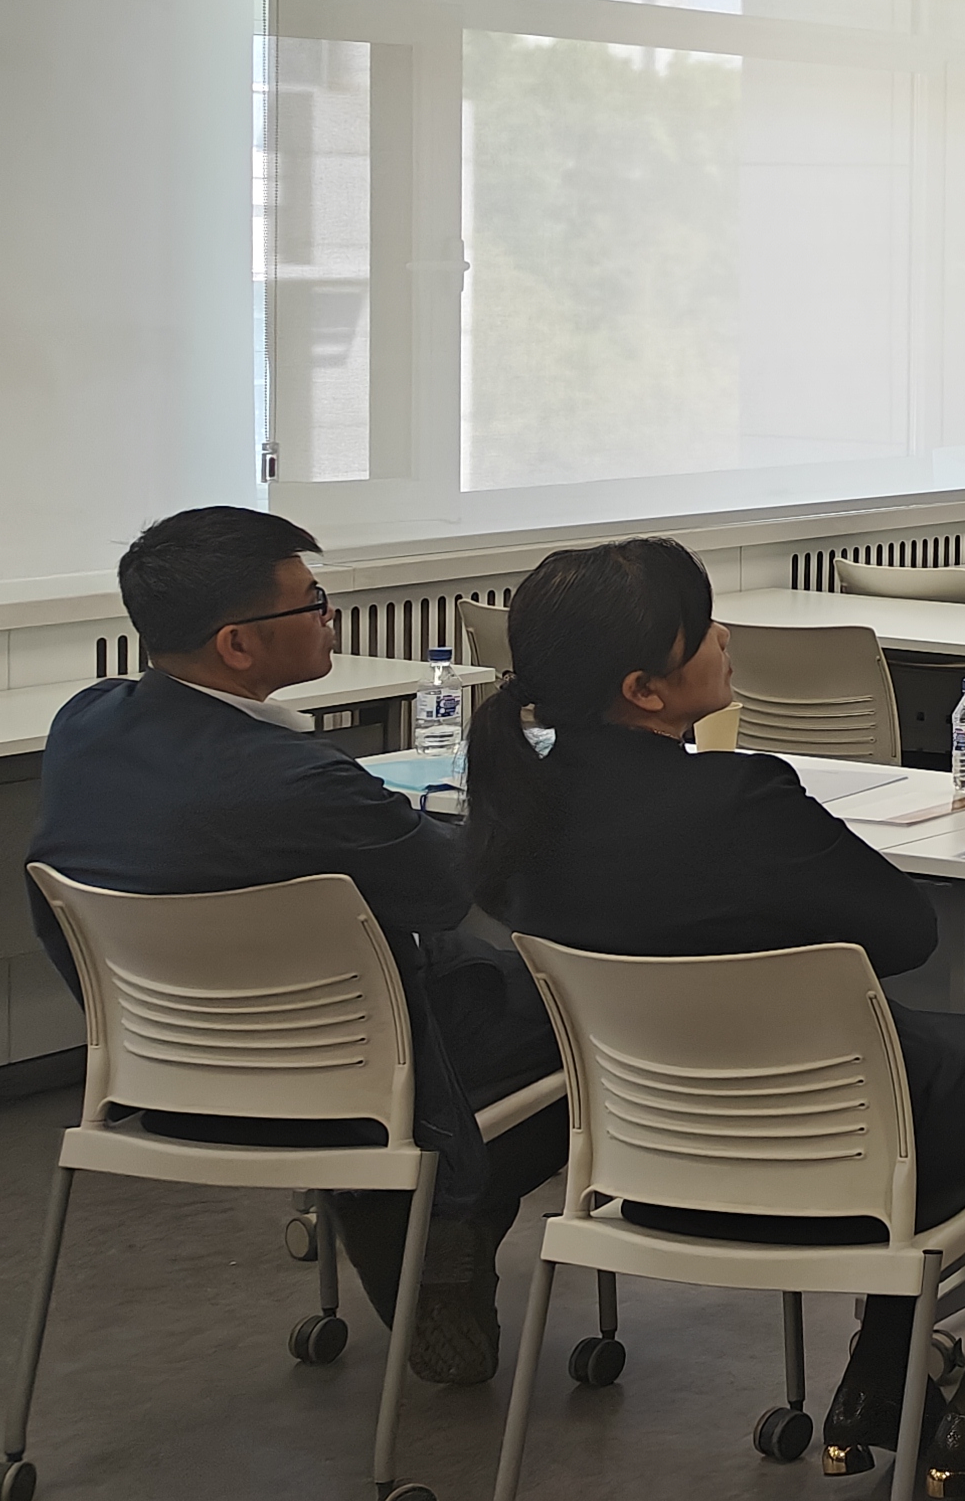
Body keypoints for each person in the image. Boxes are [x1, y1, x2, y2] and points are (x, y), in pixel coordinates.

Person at [471, 537, 965, 1492]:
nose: (725, 638)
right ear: (643, 690)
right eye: (702, 628)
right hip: (820, 1157)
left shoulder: (515, 810)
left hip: (650, 1164)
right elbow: (906, 933)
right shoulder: (740, 800)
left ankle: (882, 1379)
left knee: (922, 1079)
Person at [28, 507, 566, 1385]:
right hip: (338, 1084)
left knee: (471, 986)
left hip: (161, 1080)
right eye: (312, 601)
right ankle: (431, 1211)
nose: (328, 616)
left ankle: (404, 1198)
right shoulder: (300, 782)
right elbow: (447, 890)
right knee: (588, 1024)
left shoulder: (84, 725)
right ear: (238, 645)